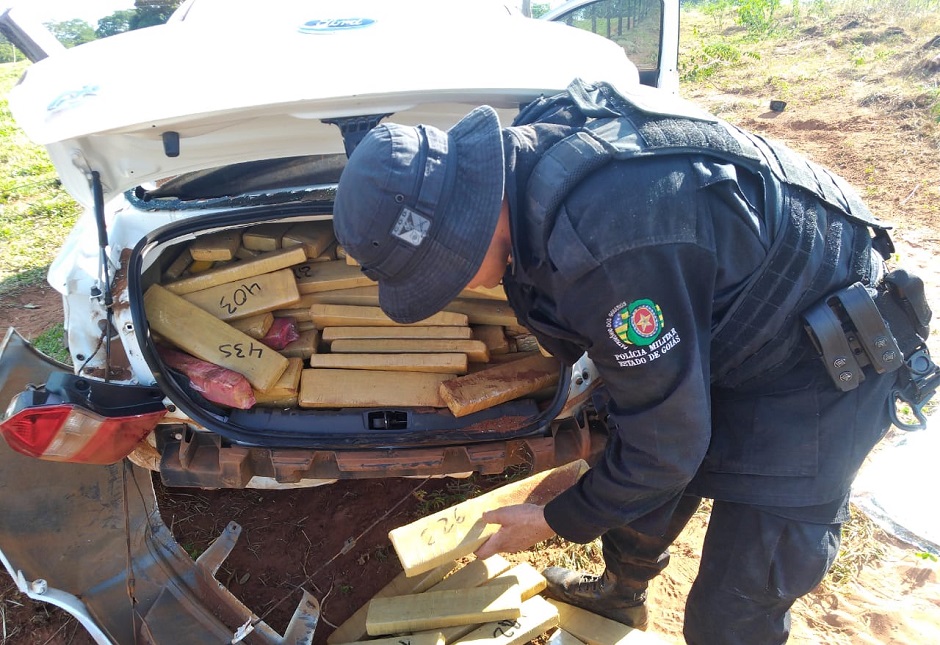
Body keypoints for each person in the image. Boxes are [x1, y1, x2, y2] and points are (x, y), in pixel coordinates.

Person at [331, 78, 934, 644]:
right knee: (639, 444)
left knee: (735, 602)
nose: (456, 287)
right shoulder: (521, 170)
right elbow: (649, 415)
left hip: (817, 367)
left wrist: (555, 520)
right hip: (725, 318)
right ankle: (619, 595)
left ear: (471, 224)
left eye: (444, 273)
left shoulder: (606, 249)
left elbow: (666, 447)